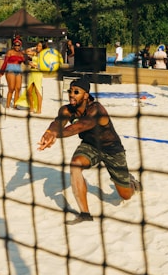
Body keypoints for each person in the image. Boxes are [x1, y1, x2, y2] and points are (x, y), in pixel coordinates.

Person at [37, 78, 141, 224]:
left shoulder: (97, 109)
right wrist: (48, 132)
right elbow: (57, 123)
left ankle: (132, 183)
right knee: (75, 165)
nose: (71, 95)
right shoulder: (67, 109)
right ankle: (85, 214)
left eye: (76, 92)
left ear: (86, 95)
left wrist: (55, 135)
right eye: (70, 91)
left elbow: (79, 127)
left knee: (125, 195)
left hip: (111, 148)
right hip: (90, 145)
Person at [0, 37, 27, 109]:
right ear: (13, 45)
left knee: (18, 88)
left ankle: (15, 105)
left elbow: (25, 62)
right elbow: (5, 62)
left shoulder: (21, 53)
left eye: (18, 45)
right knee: (11, 88)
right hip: (10, 70)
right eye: (16, 45)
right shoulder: (10, 52)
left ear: (20, 46)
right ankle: (8, 105)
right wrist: (1, 72)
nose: (17, 46)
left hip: (18, 70)